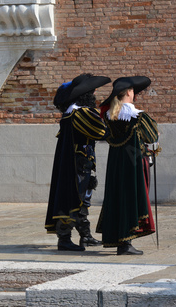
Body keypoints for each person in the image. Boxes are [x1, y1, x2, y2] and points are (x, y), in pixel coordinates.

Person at [45, 73, 111, 251]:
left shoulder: (71, 112)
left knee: (82, 199)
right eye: (93, 92)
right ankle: (64, 239)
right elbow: (101, 132)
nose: (95, 95)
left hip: (78, 162)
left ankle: (86, 236)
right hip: (77, 165)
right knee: (74, 198)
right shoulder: (81, 113)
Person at [96, 76, 159, 255]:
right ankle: (126, 243)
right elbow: (152, 137)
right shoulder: (138, 116)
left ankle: (119, 239)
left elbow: (106, 136)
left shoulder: (109, 116)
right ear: (129, 93)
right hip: (133, 163)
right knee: (131, 197)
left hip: (116, 163)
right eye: (133, 91)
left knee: (117, 197)